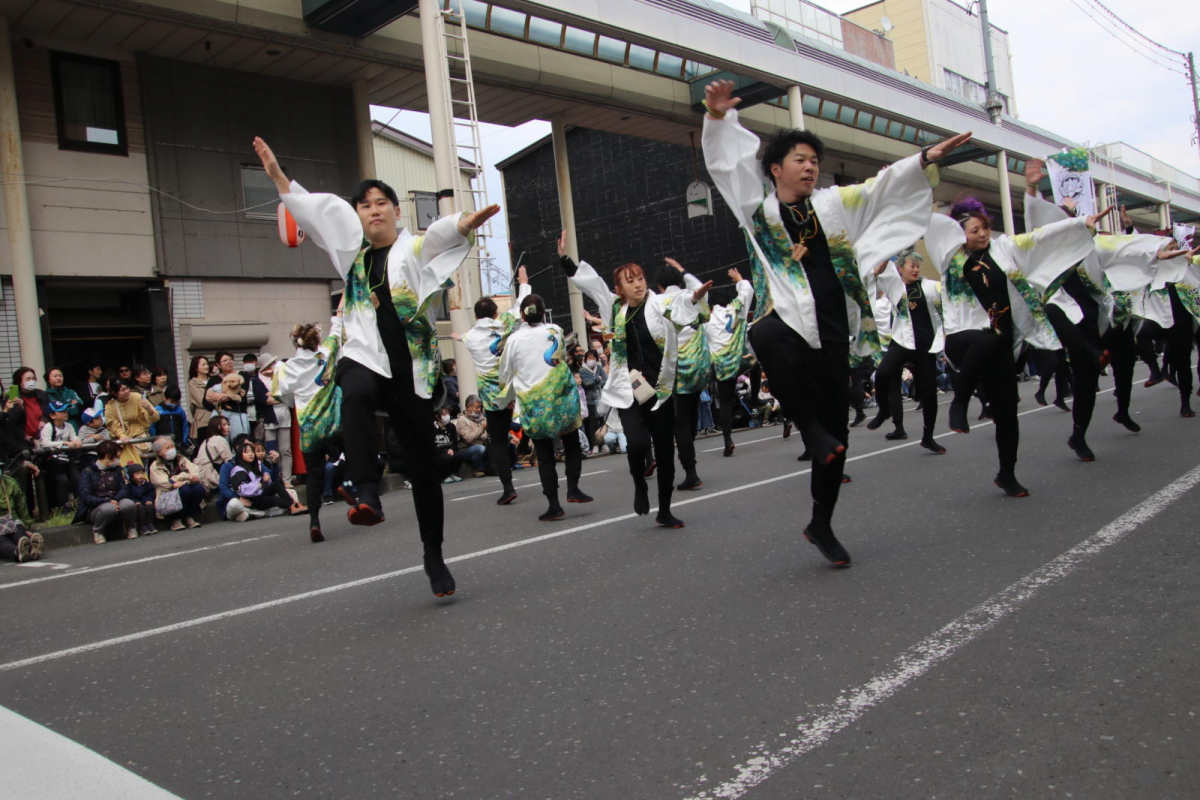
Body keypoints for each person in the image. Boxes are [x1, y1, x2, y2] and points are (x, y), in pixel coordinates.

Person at [702, 79, 969, 565]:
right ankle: (808, 428)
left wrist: (924, 158)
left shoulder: (831, 205)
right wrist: (719, 119)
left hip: (836, 326)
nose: (810, 165)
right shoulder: (759, 212)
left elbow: (878, 188)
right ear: (777, 169)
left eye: (814, 159)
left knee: (838, 442)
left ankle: (820, 522)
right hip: (786, 314)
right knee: (764, 335)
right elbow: (727, 169)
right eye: (799, 159)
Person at [258, 135, 498, 599]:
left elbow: (442, 234)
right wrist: (276, 176)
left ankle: (434, 554)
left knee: (425, 471)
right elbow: (313, 211)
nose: (373, 210)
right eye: (365, 205)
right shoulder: (350, 255)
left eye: (382, 202)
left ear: (395, 211)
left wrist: (464, 222)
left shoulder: (412, 251)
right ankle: (367, 493)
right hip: (364, 356)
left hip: (411, 371)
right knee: (356, 388)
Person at [925, 190, 1103, 496]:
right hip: (963, 336)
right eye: (974, 230)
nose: (982, 234)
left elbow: (1038, 237)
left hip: (1001, 342)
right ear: (959, 234)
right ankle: (960, 402)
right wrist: (921, 176)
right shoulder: (950, 255)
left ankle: (1006, 473)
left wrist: (1079, 222)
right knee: (987, 337)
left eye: (984, 228)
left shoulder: (1004, 248)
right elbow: (930, 222)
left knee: (1007, 411)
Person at [1025, 185, 1192, 456]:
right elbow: (1034, 228)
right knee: (1086, 382)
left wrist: (1154, 253)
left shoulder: (1093, 244)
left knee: (1125, 364)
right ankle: (1078, 435)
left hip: (1111, 317)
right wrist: (1032, 190)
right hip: (1078, 324)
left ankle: (1123, 411)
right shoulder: (1049, 253)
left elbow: (1123, 250)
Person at [559, 234, 707, 528]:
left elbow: (682, 305)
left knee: (665, 454)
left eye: (640, 278)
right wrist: (566, 261)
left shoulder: (660, 302)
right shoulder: (614, 308)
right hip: (628, 390)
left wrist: (694, 296)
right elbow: (592, 284)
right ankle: (639, 482)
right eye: (631, 281)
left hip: (660, 391)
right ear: (621, 288)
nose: (638, 284)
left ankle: (664, 510)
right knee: (637, 444)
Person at [498, 294, 593, 521]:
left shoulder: (514, 340)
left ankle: (554, 505)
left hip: (535, 403)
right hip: (562, 397)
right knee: (571, 444)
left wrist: (508, 393)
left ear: (522, 314)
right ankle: (573, 488)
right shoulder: (556, 330)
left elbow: (505, 373)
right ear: (542, 313)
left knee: (545, 453)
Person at [456, 265, 532, 505]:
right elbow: (520, 304)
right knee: (525, 420)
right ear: (496, 313)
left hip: (491, 396)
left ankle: (508, 487)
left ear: (477, 316)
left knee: (498, 440)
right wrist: (523, 282)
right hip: (514, 388)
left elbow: (461, 337)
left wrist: (456, 336)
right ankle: (528, 442)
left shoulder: (470, 336)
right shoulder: (506, 324)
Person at [272, 314, 344, 542]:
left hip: (309, 426)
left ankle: (314, 519)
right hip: (334, 420)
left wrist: (296, 402)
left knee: (315, 473)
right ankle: (358, 488)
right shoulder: (327, 352)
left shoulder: (286, 367)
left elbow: (279, 393)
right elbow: (336, 333)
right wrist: (338, 315)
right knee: (352, 446)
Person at [868, 251, 946, 453]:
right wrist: (888, 251)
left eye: (918, 266)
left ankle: (928, 437)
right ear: (900, 268)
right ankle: (884, 410)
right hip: (902, 341)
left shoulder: (929, 286)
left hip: (925, 345)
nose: (916, 269)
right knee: (883, 374)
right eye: (911, 266)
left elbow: (949, 296)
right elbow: (878, 272)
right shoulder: (896, 286)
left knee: (929, 394)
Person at [656, 257, 711, 491]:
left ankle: (691, 472)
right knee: (688, 419)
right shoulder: (691, 295)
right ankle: (688, 461)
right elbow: (698, 288)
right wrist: (682, 270)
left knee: (679, 423)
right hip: (699, 366)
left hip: (675, 368)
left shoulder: (657, 302)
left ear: (659, 285)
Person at [703, 268, 755, 457]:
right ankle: (756, 396)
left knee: (724, 403)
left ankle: (728, 439)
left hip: (722, 367)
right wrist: (739, 279)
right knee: (756, 365)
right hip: (740, 363)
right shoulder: (734, 310)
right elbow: (746, 292)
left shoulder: (706, 320)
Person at [73, 440, 137, 544]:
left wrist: (115, 499)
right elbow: (86, 496)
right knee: (109, 508)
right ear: (108, 456)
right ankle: (98, 531)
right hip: (97, 506)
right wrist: (106, 501)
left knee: (129, 504)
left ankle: (130, 527)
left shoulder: (118, 470)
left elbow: (124, 488)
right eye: (117, 457)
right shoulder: (88, 472)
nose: (119, 460)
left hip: (116, 501)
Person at [225, 438, 303, 521]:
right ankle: (292, 506)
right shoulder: (238, 469)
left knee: (276, 485)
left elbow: (268, 479)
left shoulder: (255, 465)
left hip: (260, 493)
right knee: (274, 500)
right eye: (246, 452)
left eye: (252, 452)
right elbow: (242, 489)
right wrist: (259, 484)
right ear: (240, 454)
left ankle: (294, 504)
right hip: (252, 499)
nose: (250, 454)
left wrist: (266, 478)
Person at [146, 436, 206, 530]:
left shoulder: (181, 458)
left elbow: (195, 472)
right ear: (159, 453)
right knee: (184, 490)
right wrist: (185, 476)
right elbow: (165, 483)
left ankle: (189, 516)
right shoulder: (155, 466)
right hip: (167, 494)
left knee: (199, 488)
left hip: (185, 486)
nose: (171, 450)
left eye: (172, 446)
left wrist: (186, 480)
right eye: (167, 448)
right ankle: (176, 519)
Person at [103, 377, 160, 466]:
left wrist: (149, 409)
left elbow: (154, 417)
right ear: (114, 393)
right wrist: (121, 434)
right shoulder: (110, 405)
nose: (127, 391)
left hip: (139, 439)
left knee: (141, 467)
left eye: (127, 388)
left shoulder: (137, 397)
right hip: (122, 442)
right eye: (123, 390)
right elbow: (112, 424)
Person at [37, 399, 82, 508]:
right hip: (54, 460)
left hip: (68, 458)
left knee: (76, 478)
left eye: (65, 410)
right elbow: (45, 443)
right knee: (62, 480)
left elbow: (73, 436)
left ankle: (79, 504)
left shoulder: (69, 426)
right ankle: (63, 507)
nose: (65, 413)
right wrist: (63, 443)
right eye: (61, 411)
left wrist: (76, 440)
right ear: (52, 415)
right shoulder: (48, 427)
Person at [257, 354, 293, 485]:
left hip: (284, 417)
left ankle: (287, 479)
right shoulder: (257, 381)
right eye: (270, 364)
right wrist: (279, 396)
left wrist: (275, 395)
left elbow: (288, 394)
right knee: (271, 450)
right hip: (269, 420)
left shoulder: (281, 376)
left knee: (286, 450)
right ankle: (273, 477)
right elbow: (263, 400)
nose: (273, 366)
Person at [204, 351, 251, 440]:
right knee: (220, 440)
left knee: (240, 440)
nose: (229, 362)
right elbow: (205, 402)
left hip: (238, 413)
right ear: (218, 364)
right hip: (220, 414)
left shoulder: (242, 375)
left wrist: (225, 397)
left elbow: (242, 396)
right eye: (225, 360)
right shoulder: (214, 379)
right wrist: (216, 400)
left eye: (230, 359)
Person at [0, 466, 40, 562]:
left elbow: (21, 506)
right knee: (9, 537)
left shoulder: (10, 482)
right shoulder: (9, 482)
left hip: (9, 521)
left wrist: (26, 527)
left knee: (13, 536)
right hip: (9, 522)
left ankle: (23, 549)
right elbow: (21, 506)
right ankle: (24, 549)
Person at [11, 367, 50, 446]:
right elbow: (12, 420)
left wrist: (44, 420)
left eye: (33, 378)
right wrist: (23, 435)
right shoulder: (13, 394)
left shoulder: (41, 394)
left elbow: (50, 411)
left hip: (42, 437)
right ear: (19, 382)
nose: (31, 381)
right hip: (22, 440)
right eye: (28, 379)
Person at [194, 415, 234, 491]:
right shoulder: (219, 439)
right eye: (224, 425)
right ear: (217, 427)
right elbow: (229, 459)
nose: (228, 427)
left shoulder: (206, 440)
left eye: (228, 424)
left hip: (200, 472)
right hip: (210, 473)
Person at [452, 395, 490, 477]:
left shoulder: (481, 418)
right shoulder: (462, 420)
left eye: (480, 407)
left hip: (481, 444)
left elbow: (485, 435)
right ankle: (478, 469)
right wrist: (482, 428)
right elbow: (468, 438)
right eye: (477, 407)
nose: (479, 410)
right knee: (480, 448)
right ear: (469, 407)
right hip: (466, 449)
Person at [578, 348, 607, 454]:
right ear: (585, 359)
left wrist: (598, 381)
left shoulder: (599, 368)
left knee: (602, 421)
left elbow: (606, 379)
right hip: (589, 400)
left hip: (600, 398)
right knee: (592, 423)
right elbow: (586, 383)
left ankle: (603, 443)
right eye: (589, 358)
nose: (591, 360)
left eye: (593, 358)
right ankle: (594, 445)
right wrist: (597, 380)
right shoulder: (582, 370)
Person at [119, 463, 158, 535]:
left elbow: (151, 494)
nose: (140, 476)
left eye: (142, 473)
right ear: (132, 477)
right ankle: (142, 526)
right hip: (137, 503)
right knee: (139, 508)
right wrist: (135, 501)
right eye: (137, 474)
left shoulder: (148, 485)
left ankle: (150, 523)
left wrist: (149, 500)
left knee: (149, 507)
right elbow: (128, 495)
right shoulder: (129, 486)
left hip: (146, 501)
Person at [187, 355, 213, 447]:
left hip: (218, 417)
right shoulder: (193, 383)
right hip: (204, 419)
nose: (206, 367)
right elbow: (202, 401)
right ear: (196, 368)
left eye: (207, 364)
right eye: (203, 365)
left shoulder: (213, 380)